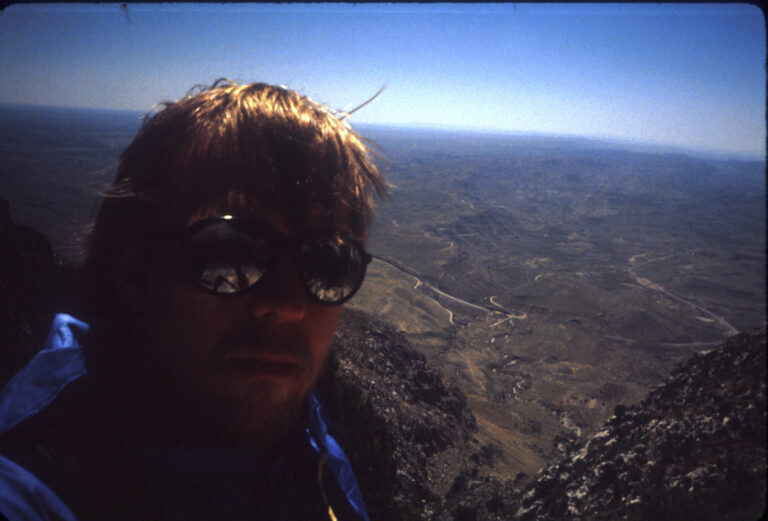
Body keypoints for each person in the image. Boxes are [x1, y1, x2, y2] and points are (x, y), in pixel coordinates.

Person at [0, 79, 388, 521]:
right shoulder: (31, 483)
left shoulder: (310, 447)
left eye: (329, 263)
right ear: (131, 268)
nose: (288, 304)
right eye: (231, 252)